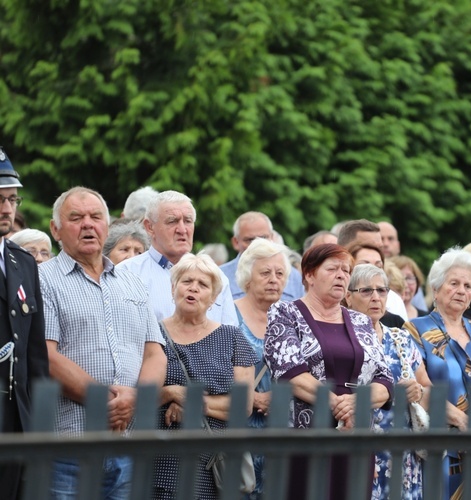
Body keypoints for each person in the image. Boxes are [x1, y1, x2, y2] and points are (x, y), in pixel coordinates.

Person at [41, 187, 166, 499]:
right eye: (76, 218)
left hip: (130, 443)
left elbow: (155, 353)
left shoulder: (132, 282)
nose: (88, 224)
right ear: (55, 229)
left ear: (107, 226)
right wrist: (107, 403)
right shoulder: (41, 279)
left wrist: (135, 399)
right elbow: (46, 355)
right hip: (70, 445)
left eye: (96, 217)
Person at [264, 243, 394, 500]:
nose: (342, 276)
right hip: (305, 439)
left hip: (355, 437)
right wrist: (340, 406)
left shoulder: (360, 320)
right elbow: (289, 372)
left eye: (346, 271)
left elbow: (385, 379)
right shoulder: (285, 313)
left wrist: (358, 402)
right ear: (309, 275)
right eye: (333, 269)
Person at [404, 248, 471, 500]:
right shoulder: (415, 330)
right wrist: (464, 423)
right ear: (436, 289)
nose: (462, 290)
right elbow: (420, 387)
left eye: (468, 286)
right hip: (439, 445)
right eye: (454, 283)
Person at [153, 253, 256, 499]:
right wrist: (170, 392)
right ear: (173, 288)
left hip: (215, 459)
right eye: (187, 281)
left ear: (214, 298)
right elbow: (140, 396)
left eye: (203, 285)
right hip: (162, 456)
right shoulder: (153, 333)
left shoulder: (233, 338)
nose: (193, 289)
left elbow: (244, 406)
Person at [345, 264, 431, 500]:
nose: (375, 297)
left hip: (402, 450)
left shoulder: (400, 337)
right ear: (348, 297)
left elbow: (427, 387)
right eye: (366, 291)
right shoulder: (341, 339)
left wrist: (418, 391)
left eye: (381, 291)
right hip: (360, 446)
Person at [0, 149, 49, 500]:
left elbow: (34, 352)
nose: (6, 209)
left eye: (12, 199)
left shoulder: (23, 262)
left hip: (18, 417)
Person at [118, 191, 237, 325]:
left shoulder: (217, 277)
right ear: (149, 227)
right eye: (172, 221)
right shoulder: (125, 274)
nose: (182, 229)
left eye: (187, 221)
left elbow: (230, 336)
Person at [233, 238, 291, 498]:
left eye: (279, 273)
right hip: (238, 428)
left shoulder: (292, 319)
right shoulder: (227, 316)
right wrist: (251, 397)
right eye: (265, 273)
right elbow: (213, 368)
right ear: (247, 278)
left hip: (281, 432)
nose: (274, 279)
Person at [220, 211, 304, 302]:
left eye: (263, 238)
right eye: (250, 239)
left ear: (272, 238)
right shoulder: (220, 276)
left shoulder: (294, 276)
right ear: (236, 242)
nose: (257, 243)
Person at [337, 219, 409, 320]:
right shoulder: (326, 302)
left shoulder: (393, 301)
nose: (374, 251)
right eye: (364, 264)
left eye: (379, 247)